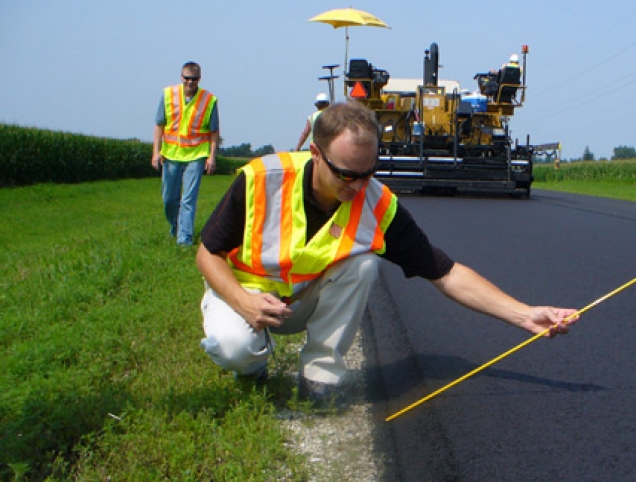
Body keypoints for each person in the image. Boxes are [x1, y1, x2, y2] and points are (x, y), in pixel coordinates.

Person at [196, 100, 578, 407]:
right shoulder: (262, 179)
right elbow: (207, 253)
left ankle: (319, 376)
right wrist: (244, 302)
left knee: (363, 264)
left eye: (369, 172)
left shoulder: (377, 204)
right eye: (347, 174)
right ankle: (252, 366)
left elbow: (444, 272)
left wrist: (524, 314)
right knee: (234, 349)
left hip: (301, 302)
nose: (358, 185)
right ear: (315, 153)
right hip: (243, 295)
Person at [152, 61, 220, 246]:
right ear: (181, 77)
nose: (190, 82)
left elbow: (214, 132)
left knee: (188, 200)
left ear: (200, 78)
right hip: (172, 154)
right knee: (169, 199)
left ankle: (185, 240)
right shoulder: (168, 95)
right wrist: (156, 152)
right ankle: (175, 226)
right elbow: (159, 125)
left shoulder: (209, 100)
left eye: (194, 79)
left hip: (196, 155)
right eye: (187, 78)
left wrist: (211, 157)